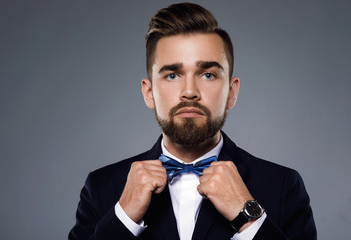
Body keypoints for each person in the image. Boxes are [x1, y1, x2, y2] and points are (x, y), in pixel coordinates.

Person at [69, 3, 316, 240]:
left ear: (231, 92)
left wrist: (248, 216)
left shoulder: (283, 185)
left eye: (208, 74)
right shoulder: (101, 188)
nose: (189, 91)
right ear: (149, 93)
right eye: (172, 75)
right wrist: (123, 216)